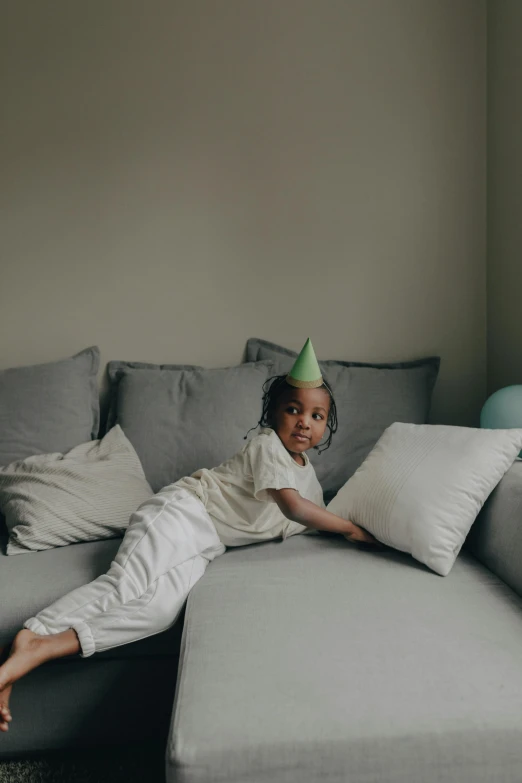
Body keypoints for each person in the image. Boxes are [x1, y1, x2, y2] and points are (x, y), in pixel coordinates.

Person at [0, 338, 380, 732]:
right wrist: (351, 528)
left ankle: (37, 648)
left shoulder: (310, 482)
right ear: (273, 415)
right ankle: (32, 638)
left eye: (317, 416)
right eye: (293, 409)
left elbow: (313, 515)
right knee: (124, 587)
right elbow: (293, 509)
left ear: (326, 425)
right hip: (182, 512)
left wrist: (365, 526)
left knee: (158, 612)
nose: (304, 421)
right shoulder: (268, 446)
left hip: (204, 545)